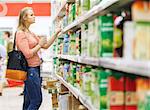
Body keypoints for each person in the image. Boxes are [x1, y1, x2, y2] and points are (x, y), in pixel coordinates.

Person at [16, 7, 61, 110]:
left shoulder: (30, 33)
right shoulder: (20, 33)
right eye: (31, 15)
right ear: (24, 18)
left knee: (28, 102)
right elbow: (27, 54)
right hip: (30, 70)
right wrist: (39, 45)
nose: (34, 16)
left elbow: (45, 46)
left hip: (36, 69)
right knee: (36, 100)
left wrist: (56, 33)